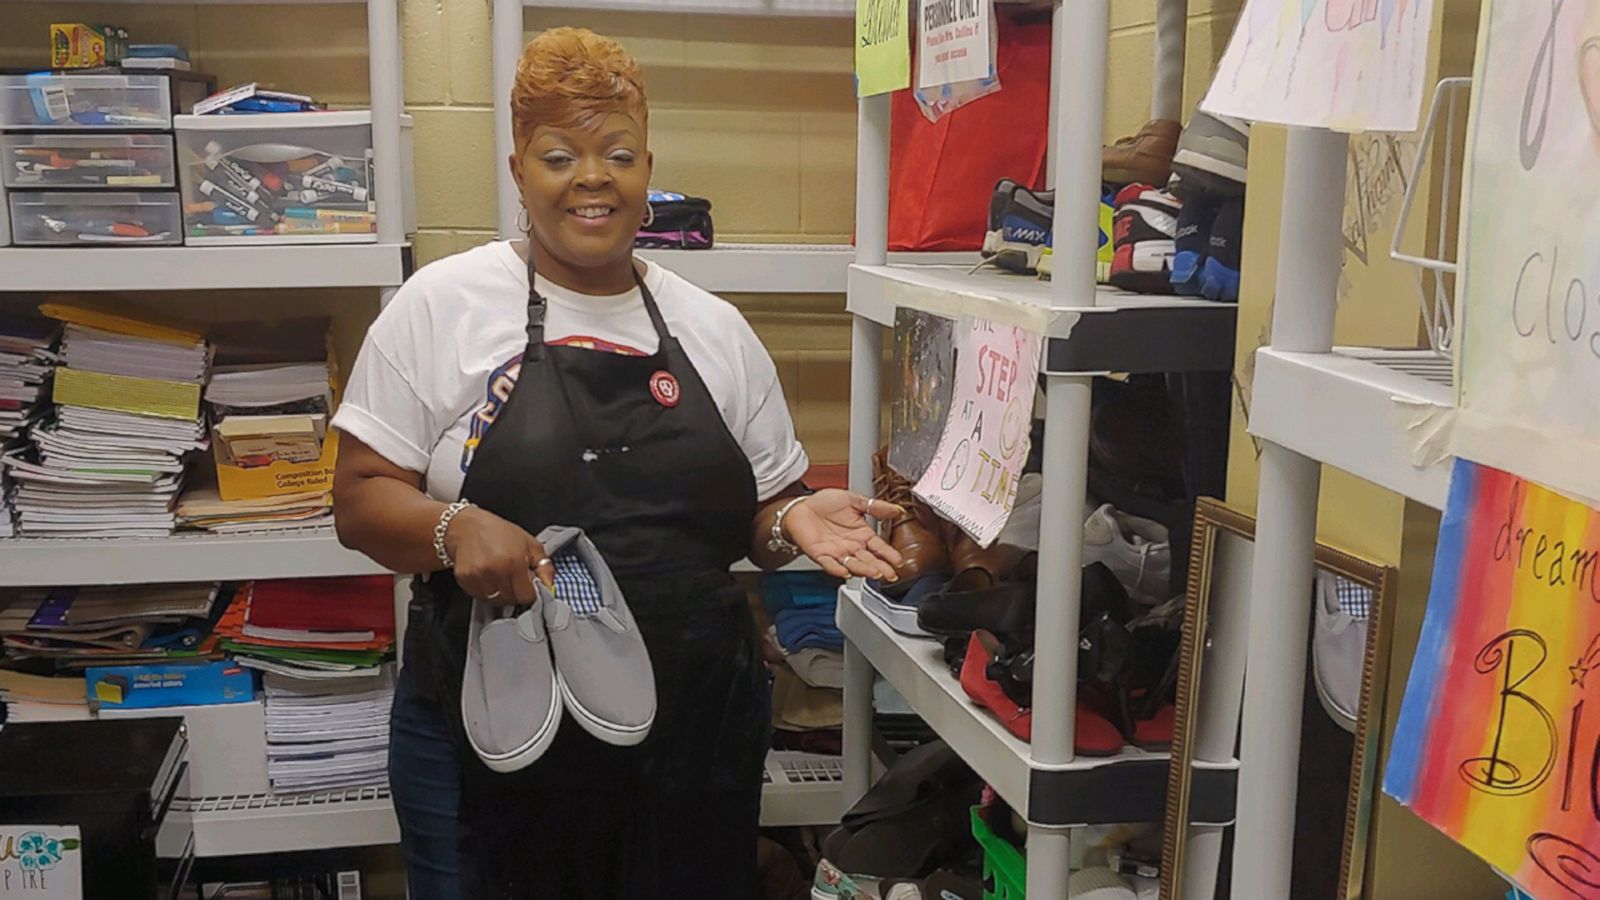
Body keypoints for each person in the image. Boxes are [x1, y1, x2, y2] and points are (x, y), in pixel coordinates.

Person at [330, 27, 902, 899]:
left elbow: (762, 505)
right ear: (518, 168)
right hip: (495, 725)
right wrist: (452, 526)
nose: (592, 177)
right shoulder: (441, 306)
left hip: (691, 740)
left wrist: (791, 517)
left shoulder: (714, 330)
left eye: (618, 154)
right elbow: (361, 499)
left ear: (647, 168)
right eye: (560, 154)